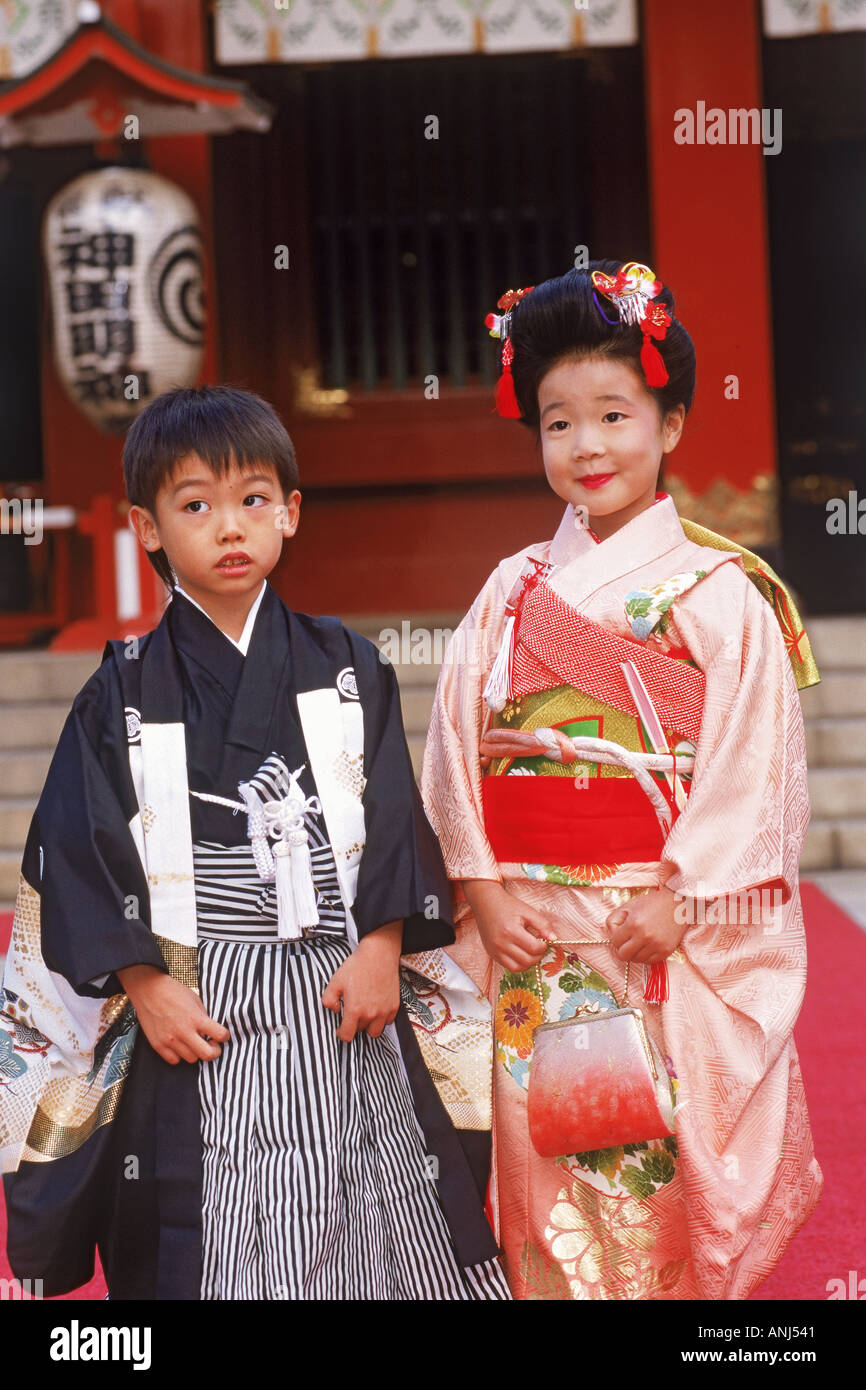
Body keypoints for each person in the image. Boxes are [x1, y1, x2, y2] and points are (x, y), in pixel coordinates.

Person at [0, 384, 509, 1301]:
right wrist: (146, 986)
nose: (229, 527)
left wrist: (384, 946)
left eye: (253, 500)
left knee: (370, 1204)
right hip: (198, 1006)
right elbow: (76, 853)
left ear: (291, 512)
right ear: (147, 528)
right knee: (203, 1213)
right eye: (194, 506)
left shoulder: (349, 665)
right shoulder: (118, 692)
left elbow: (394, 815)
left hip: (340, 989)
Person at [421, 261, 823, 1301]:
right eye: (558, 423)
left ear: (671, 424)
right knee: (539, 1156)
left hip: (648, 932)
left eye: (611, 414)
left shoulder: (719, 594)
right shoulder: (510, 589)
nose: (585, 445)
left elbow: (755, 763)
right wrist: (484, 884)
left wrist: (681, 896)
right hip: (533, 929)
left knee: (647, 1159)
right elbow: (452, 745)